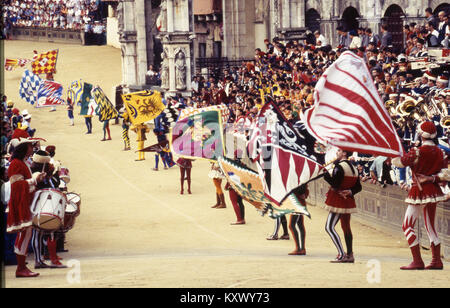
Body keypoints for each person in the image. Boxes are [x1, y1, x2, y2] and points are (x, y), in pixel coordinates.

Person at [392, 121, 447, 270]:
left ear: (421, 134)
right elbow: (445, 174)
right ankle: (436, 260)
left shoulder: (417, 151)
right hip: (433, 190)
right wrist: (432, 178)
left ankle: (417, 260)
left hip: (419, 190)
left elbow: (400, 163)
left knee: (407, 225)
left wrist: (391, 153)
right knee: (431, 227)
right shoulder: (440, 151)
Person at [6, 139, 46, 277]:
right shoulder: (16, 164)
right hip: (20, 203)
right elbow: (16, 186)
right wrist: (35, 180)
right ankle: (21, 268)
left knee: (25, 234)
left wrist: (37, 179)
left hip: (24, 202)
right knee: (24, 234)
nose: (32, 147)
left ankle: (22, 267)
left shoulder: (22, 162)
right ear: (23, 148)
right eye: (30, 145)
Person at [323, 148, 362, 263]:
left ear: (344, 153)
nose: (337, 153)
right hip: (348, 200)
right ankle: (350, 254)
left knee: (329, 227)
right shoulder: (354, 168)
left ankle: (341, 254)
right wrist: (350, 191)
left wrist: (325, 174)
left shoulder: (339, 167)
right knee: (346, 227)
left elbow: (335, 184)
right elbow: (358, 187)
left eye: (339, 151)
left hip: (338, 199)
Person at [288, 185, 309, 255]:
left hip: (297, 202)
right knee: (300, 225)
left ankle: (298, 248)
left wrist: (302, 193)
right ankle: (302, 248)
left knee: (292, 225)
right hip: (298, 201)